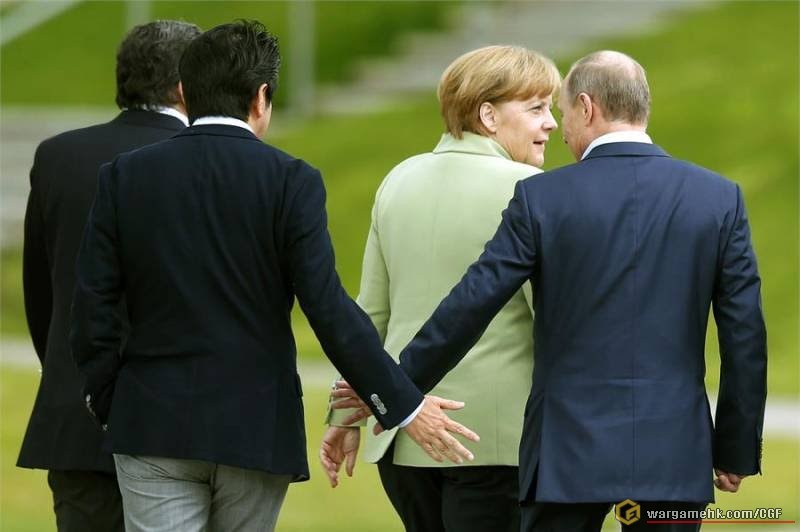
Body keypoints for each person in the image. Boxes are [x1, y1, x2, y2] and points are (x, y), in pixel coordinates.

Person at [69, 20, 477, 532]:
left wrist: (112, 399)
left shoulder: (124, 174)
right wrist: (403, 404)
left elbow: (92, 307)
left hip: (151, 420)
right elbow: (327, 308)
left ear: (185, 91)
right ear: (262, 97)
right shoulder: (291, 180)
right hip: (255, 425)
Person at [343, 50, 767, 532]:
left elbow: (472, 303)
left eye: (562, 113)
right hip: (672, 447)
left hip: (567, 447)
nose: (559, 129)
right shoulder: (719, 198)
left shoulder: (542, 197)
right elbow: (744, 334)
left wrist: (395, 387)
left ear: (586, 107)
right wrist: (734, 447)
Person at [320, 45, 559, 532]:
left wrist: (344, 419)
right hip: (496, 442)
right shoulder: (531, 191)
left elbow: (369, 317)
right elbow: (556, 325)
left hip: (402, 440)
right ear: (488, 115)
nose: (551, 123)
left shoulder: (398, 180)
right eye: (536, 108)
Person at [17, 20, 201, 531]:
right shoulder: (211, 162)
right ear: (185, 86)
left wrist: (72, 370)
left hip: (75, 419)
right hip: (181, 427)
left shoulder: (58, 156)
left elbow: (41, 292)